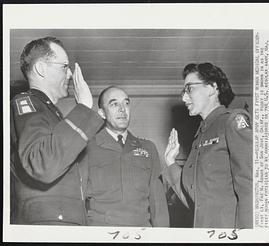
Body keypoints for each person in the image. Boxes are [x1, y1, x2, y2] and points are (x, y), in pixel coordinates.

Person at [10, 37, 102, 225]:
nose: (69, 73)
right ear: (41, 69)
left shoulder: (52, 113)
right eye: (63, 66)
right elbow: (43, 164)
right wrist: (84, 108)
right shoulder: (26, 103)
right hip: (46, 224)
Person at [164, 62, 253, 229]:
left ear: (212, 87)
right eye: (183, 91)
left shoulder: (232, 120)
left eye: (189, 88)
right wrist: (170, 163)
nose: (184, 98)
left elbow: (251, 186)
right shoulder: (199, 138)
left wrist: (248, 237)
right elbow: (193, 201)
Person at [79, 86, 169, 227]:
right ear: (102, 113)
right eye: (114, 104)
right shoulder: (87, 147)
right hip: (101, 234)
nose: (122, 109)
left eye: (126, 103)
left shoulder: (148, 148)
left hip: (141, 234)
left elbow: (158, 204)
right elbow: (78, 199)